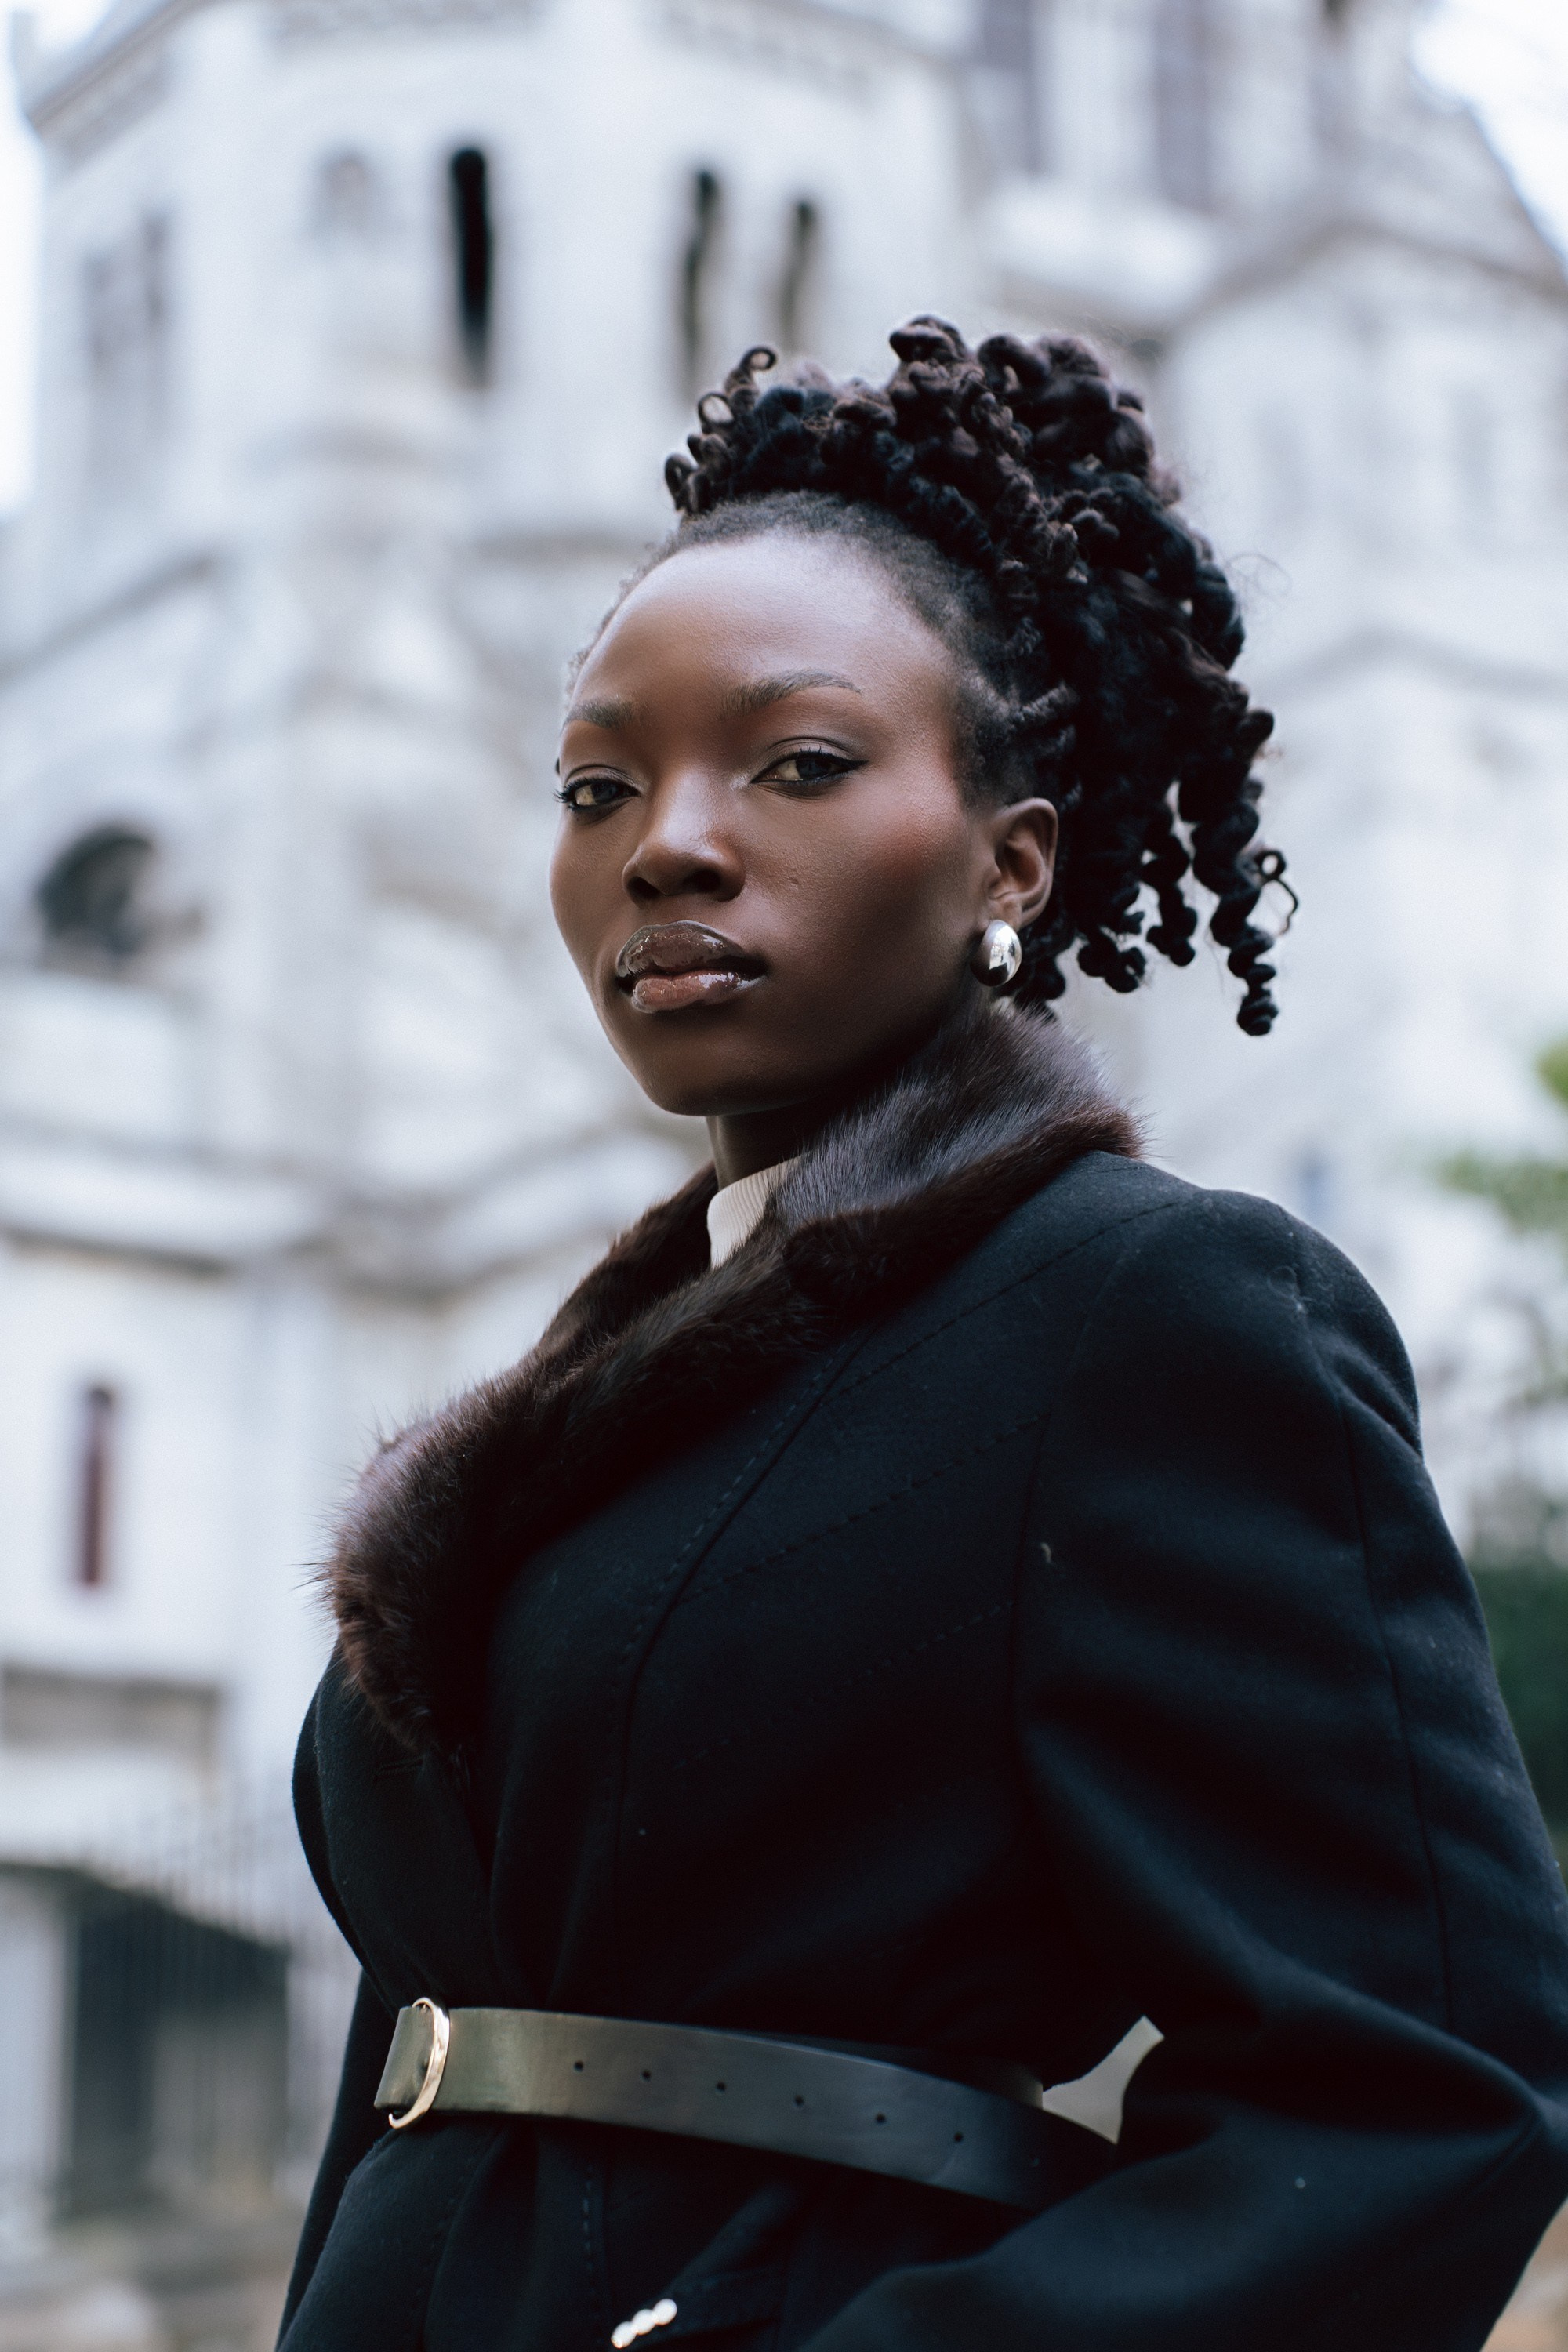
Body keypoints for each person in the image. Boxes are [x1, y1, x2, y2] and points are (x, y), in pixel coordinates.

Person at [279, 321, 1568, 2352]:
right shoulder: (566, 1419)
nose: (666, 842)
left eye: (797, 763)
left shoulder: (1153, 1313)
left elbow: (1425, 2093)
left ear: (1009, 860)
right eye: (598, 785)